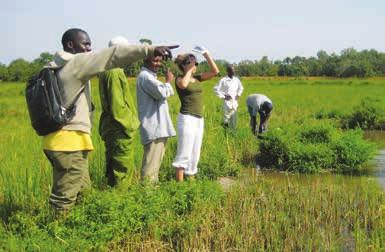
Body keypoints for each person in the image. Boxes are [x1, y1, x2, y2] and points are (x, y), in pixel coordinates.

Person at [42, 28, 177, 213]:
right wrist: (149, 49)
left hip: (58, 140)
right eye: (86, 44)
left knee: (83, 191)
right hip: (70, 142)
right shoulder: (77, 64)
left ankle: (82, 225)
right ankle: (57, 233)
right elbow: (113, 62)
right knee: (64, 198)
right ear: (70, 45)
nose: (90, 48)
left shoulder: (54, 66)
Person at [172, 47, 220, 182]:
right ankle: (179, 184)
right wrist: (187, 70)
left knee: (195, 150)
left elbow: (215, 71)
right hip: (187, 118)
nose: (196, 66)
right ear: (185, 66)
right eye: (193, 63)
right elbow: (183, 84)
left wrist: (206, 54)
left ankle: (191, 176)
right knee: (185, 150)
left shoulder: (197, 78)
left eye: (196, 63)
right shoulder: (180, 78)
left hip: (199, 119)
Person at [98, 36, 140, 187]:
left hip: (112, 127)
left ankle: (114, 197)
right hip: (119, 128)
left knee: (113, 169)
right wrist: (131, 125)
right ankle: (121, 202)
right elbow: (118, 107)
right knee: (122, 170)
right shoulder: (115, 72)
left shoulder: (106, 69)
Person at [136, 55, 176, 182]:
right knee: (151, 166)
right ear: (145, 60)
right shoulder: (146, 77)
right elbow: (162, 93)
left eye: (160, 61)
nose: (158, 63)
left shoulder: (150, 76)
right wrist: (168, 82)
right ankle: (147, 193)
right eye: (155, 60)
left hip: (157, 127)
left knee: (154, 163)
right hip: (154, 127)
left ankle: (151, 190)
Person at [214, 64, 243, 128]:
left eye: (234, 70)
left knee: (234, 119)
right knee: (226, 118)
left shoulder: (236, 80)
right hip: (227, 102)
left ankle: (233, 133)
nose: (234, 71)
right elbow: (216, 89)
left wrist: (238, 95)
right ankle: (225, 133)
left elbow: (241, 88)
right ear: (228, 71)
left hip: (234, 102)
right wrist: (224, 96)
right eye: (232, 70)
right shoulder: (223, 80)